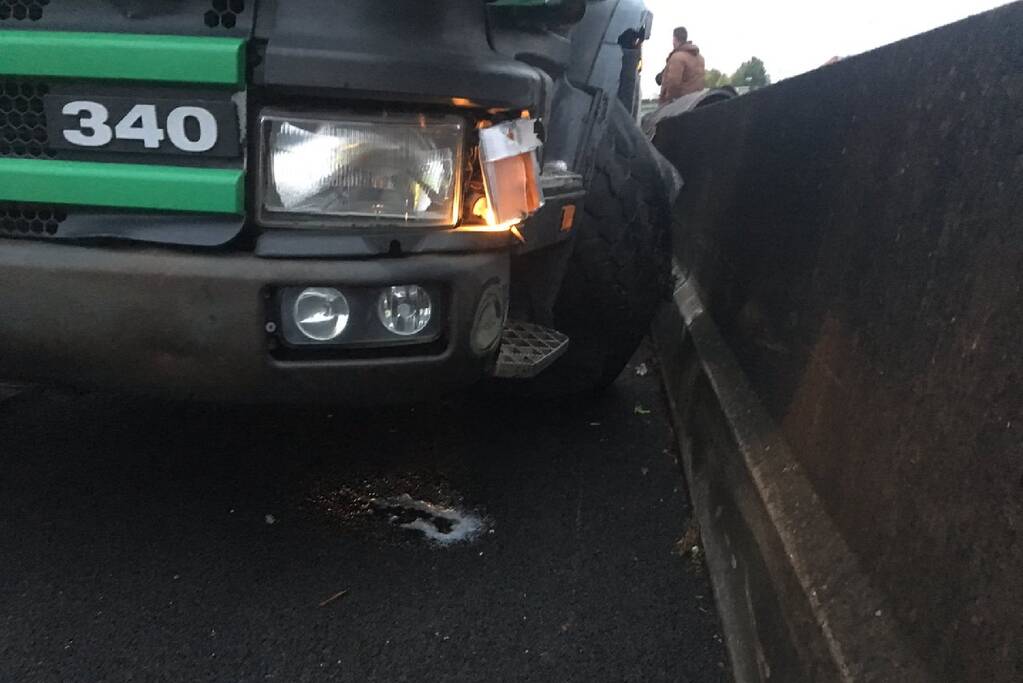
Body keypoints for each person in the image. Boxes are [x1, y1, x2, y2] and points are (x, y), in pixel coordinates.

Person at [657, 26, 706, 103]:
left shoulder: (677, 58)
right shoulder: (700, 58)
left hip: (680, 105)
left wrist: (666, 102)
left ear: (675, 39)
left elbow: (673, 84)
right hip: (695, 103)